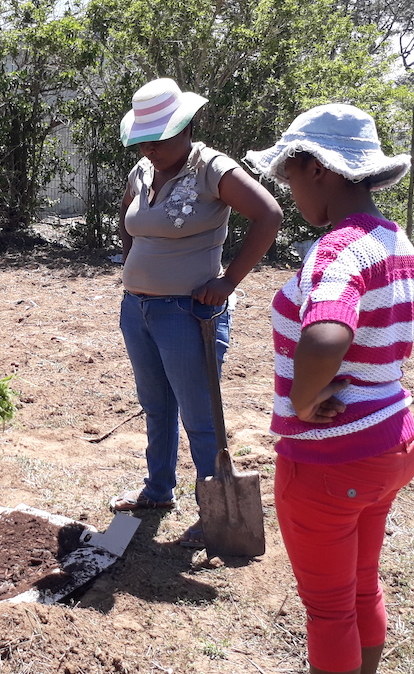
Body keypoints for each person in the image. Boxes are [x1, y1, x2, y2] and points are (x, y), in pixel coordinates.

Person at [245, 104, 414, 674]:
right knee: (361, 588)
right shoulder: (395, 242)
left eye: (291, 175)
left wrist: (299, 400)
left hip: (331, 458)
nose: (291, 190)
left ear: (318, 170)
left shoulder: (338, 248)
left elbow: (326, 334)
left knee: (328, 612)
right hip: (390, 442)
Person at [109, 78, 282, 548]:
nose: (149, 148)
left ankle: (215, 510)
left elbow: (269, 216)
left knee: (200, 414)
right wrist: (133, 264)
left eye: (158, 138)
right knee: (156, 405)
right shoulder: (142, 172)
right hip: (138, 310)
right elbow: (128, 220)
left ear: (185, 126)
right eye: (143, 140)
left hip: (188, 315)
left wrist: (227, 282)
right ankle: (158, 490)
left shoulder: (213, 170)